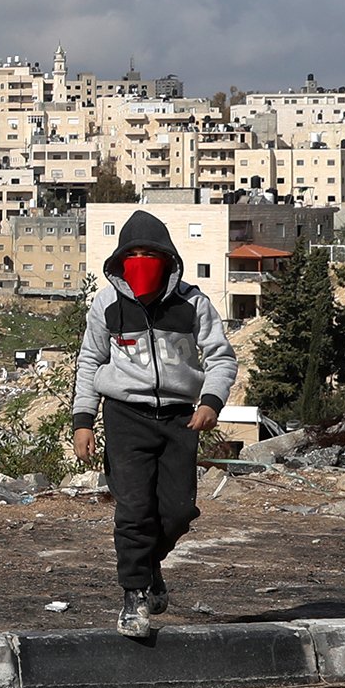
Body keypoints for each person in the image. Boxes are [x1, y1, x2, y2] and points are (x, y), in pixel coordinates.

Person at [71, 209, 237, 638]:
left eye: (150, 253)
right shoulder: (107, 304)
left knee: (178, 511)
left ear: (167, 257)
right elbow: (90, 361)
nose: (142, 260)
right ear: (121, 259)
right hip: (125, 415)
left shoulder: (193, 303)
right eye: (134, 254)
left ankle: (148, 565)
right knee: (134, 509)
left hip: (181, 419)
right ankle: (134, 597)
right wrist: (83, 421)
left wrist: (211, 401)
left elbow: (221, 357)